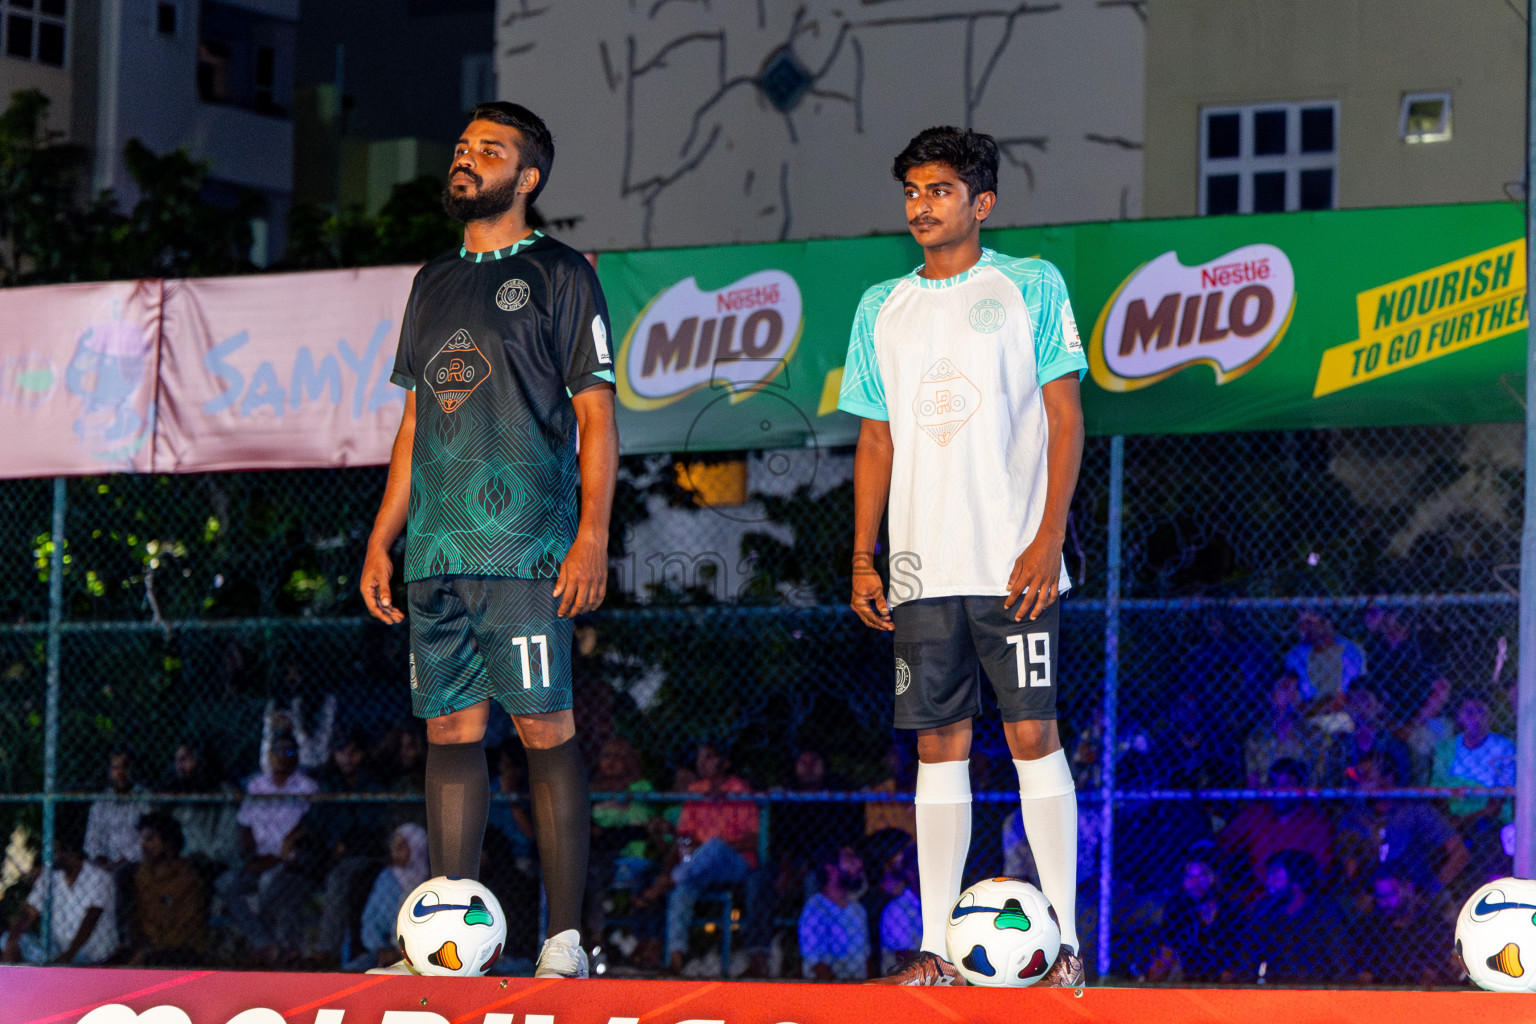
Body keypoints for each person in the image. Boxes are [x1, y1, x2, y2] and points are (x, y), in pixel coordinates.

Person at [359, 100, 619, 981]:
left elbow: (597, 418)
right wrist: (381, 539)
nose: (467, 160)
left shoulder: (561, 274)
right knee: (451, 735)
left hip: (527, 548)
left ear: (529, 176)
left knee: (546, 733)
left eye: (490, 151)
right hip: (436, 548)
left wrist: (591, 537)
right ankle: (446, 945)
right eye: (463, 146)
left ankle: (565, 942)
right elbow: (409, 424)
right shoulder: (431, 280)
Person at [840, 126, 1088, 986]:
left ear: (981, 202)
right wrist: (864, 555)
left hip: (1013, 559)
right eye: (912, 190)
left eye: (940, 190)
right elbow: (874, 438)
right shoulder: (881, 306)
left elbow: (1065, 416)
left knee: (1031, 734)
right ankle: (939, 950)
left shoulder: (1030, 285)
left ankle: (1063, 945)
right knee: (936, 748)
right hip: (919, 569)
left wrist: (1049, 535)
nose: (921, 204)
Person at [635, 742, 769, 976]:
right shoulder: (696, 791)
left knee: (714, 846)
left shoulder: (740, 790)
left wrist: (714, 846)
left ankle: (665, 883)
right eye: (700, 758)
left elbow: (752, 840)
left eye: (709, 757)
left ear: (724, 763)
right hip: (697, 865)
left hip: (735, 862)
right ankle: (676, 959)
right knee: (683, 887)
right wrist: (698, 849)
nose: (702, 763)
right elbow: (684, 840)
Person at [213, 731, 319, 963]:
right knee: (226, 884)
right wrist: (249, 857)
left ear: (297, 755)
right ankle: (265, 943)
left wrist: (277, 859)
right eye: (277, 750)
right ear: (269, 756)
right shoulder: (257, 786)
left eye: (289, 751)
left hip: (289, 863)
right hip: (259, 860)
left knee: (270, 884)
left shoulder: (307, 786)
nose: (283, 755)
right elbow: (245, 825)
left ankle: (280, 952)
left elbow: (308, 829)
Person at [1335, 751, 1468, 895]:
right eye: (1358, 777)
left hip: (1414, 887)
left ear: (1389, 777)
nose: (1361, 784)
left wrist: (1431, 891)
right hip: (1372, 893)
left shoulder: (1414, 811)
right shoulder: (1355, 816)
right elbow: (1349, 867)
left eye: (1366, 775)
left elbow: (1460, 853)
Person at [1215, 758, 1332, 897]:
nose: (1279, 790)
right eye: (1274, 784)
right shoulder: (1255, 814)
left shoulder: (1314, 821)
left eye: (1286, 785)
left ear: (1299, 788)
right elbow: (1225, 841)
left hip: (1300, 897)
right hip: (1259, 897)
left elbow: (1324, 870)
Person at [2, 831, 116, 965]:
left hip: (92, 955)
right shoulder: (50, 878)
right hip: (58, 951)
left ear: (71, 853)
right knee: (6, 940)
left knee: (71, 962)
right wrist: (13, 939)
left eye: (56, 851)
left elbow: (91, 917)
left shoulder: (99, 877)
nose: (50, 856)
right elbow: (29, 911)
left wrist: (69, 955)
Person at [1239, 850, 1354, 983]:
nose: (1268, 882)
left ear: (1296, 880)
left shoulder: (1325, 913)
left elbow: (1340, 962)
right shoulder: (1264, 914)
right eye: (1269, 875)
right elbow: (1247, 962)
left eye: (1275, 876)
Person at [1144, 846, 1240, 983]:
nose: (1194, 882)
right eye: (1189, 876)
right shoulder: (1178, 907)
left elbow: (1233, 961)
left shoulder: (1229, 911)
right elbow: (1167, 951)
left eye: (1200, 876)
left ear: (1212, 877)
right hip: (1190, 978)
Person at [124, 812, 206, 966]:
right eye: (142, 839)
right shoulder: (143, 873)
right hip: (148, 946)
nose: (143, 844)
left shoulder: (186, 878)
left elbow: (185, 930)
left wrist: (152, 949)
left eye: (150, 839)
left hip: (179, 949)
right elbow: (137, 917)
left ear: (168, 843)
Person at [356, 823, 431, 970]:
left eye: (403, 845)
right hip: (382, 950)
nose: (395, 849)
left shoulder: (429, 881)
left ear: (417, 848)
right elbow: (369, 918)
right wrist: (381, 949)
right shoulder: (386, 877)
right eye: (394, 844)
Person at [798, 843, 870, 981]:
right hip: (827, 991)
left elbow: (866, 959)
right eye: (849, 858)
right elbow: (817, 965)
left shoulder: (857, 909)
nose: (858, 863)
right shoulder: (815, 909)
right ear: (830, 867)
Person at [1242, 672, 1327, 787]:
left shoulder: (1314, 734)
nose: (1291, 695)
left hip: (1304, 798)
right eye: (1285, 688)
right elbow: (1252, 782)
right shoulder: (1257, 737)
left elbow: (1320, 779)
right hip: (1268, 799)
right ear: (1271, 696)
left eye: (1296, 689)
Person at [1283, 612, 1365, 705]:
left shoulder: (1347, 650)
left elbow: (1354, 687)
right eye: (1301, 624)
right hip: (1308, 706)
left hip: (1341, 705)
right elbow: (1289, 687)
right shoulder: (1296, 654)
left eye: (1309, 623)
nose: (1303, 629)